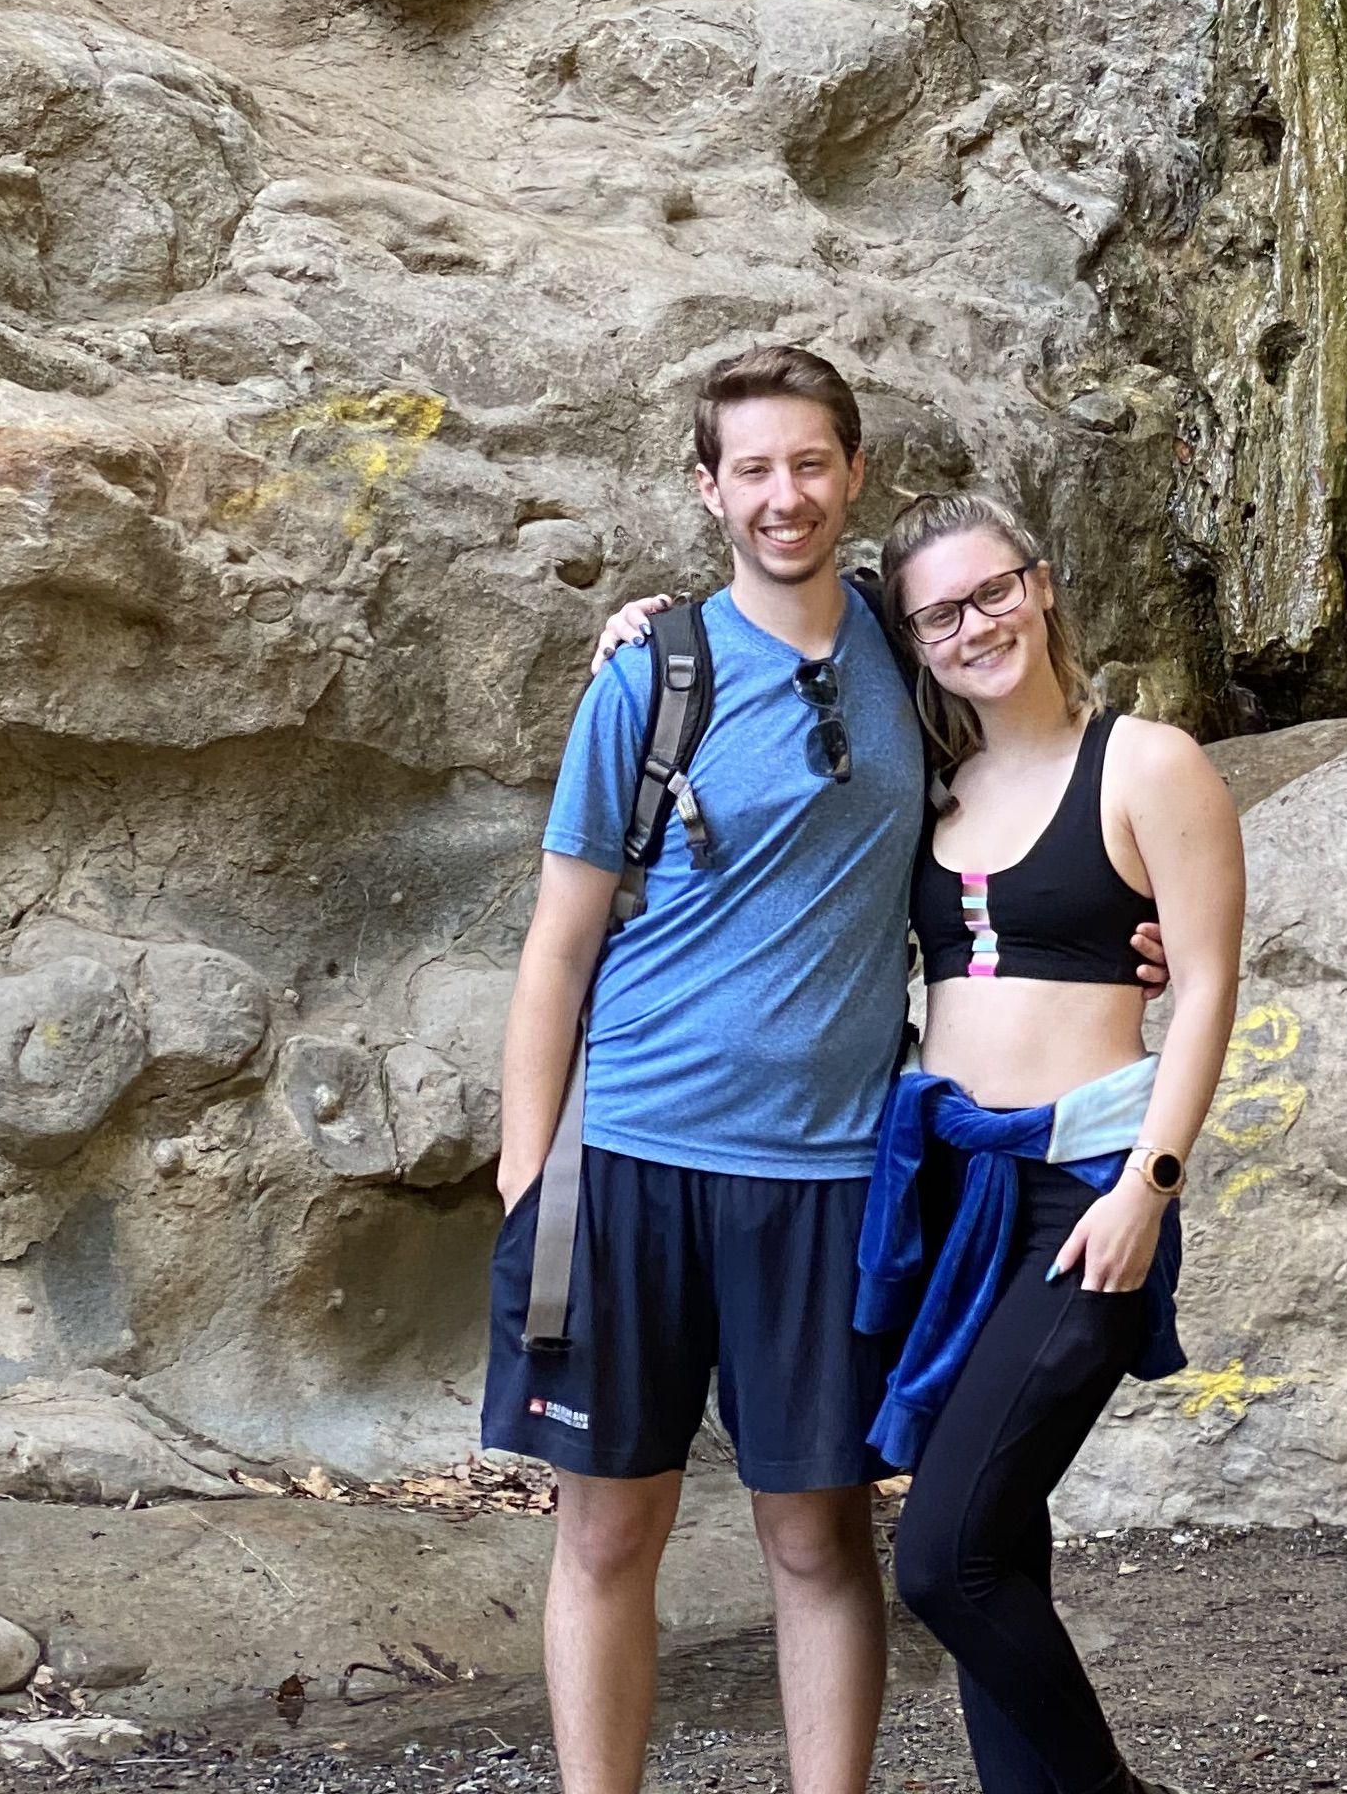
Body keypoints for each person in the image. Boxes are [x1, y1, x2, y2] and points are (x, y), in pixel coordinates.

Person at [484, 345, 921, 1794]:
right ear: (708, 489)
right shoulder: (650, 679)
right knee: (608, 1530)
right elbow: (557, 945)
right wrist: (528, 1169)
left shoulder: (916, 657)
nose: (784, 495)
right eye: (754, 469)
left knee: (819, 1535)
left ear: (855, 474)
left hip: (828, 1173)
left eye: (810, 463)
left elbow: (1030, 810)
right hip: (635, 1162)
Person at [859, 489, 1246, 1794]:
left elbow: (1203, 992)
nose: (974, 625)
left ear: (1039, 586)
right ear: (910, 642)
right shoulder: (926, 787)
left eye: (991, 591)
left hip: (1087, 1187)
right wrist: (639, 639)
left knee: (945, 1555)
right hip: (952, 1189)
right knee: (998, 1543)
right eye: (939, 614)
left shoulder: (1147, 764)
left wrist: (1152, 1182)